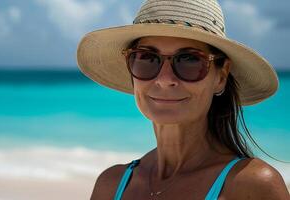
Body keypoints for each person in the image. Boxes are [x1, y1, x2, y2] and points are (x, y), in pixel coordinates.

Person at [76, 0, 290, 199]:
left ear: (221, 76)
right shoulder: (111, 185)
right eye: (147, 58)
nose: (165, 79)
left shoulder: (251, 185)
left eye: (189, 59)